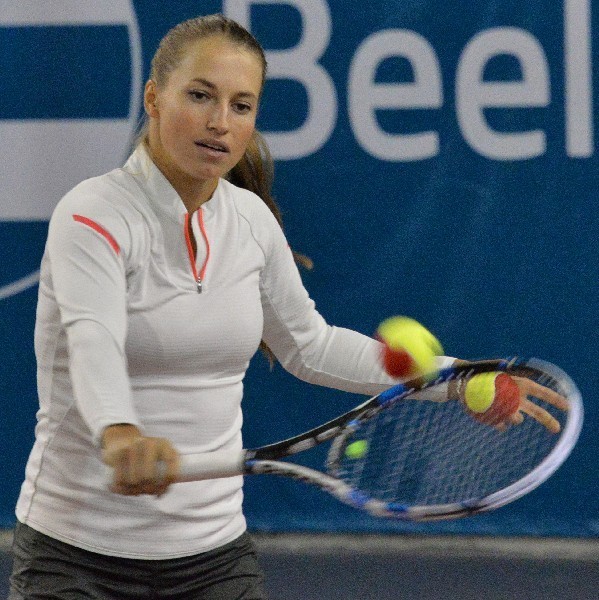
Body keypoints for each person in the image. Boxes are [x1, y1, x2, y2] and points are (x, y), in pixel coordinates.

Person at [8, 14, 563, 600]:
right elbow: (92, 336)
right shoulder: (92, 214)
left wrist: (456, 378)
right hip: (76, 559)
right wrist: (119, 432)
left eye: (241, 105)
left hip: (213, 558)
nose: (220, 122)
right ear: (153, 98)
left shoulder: (249, 221)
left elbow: (311, 346)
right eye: (200, 96)